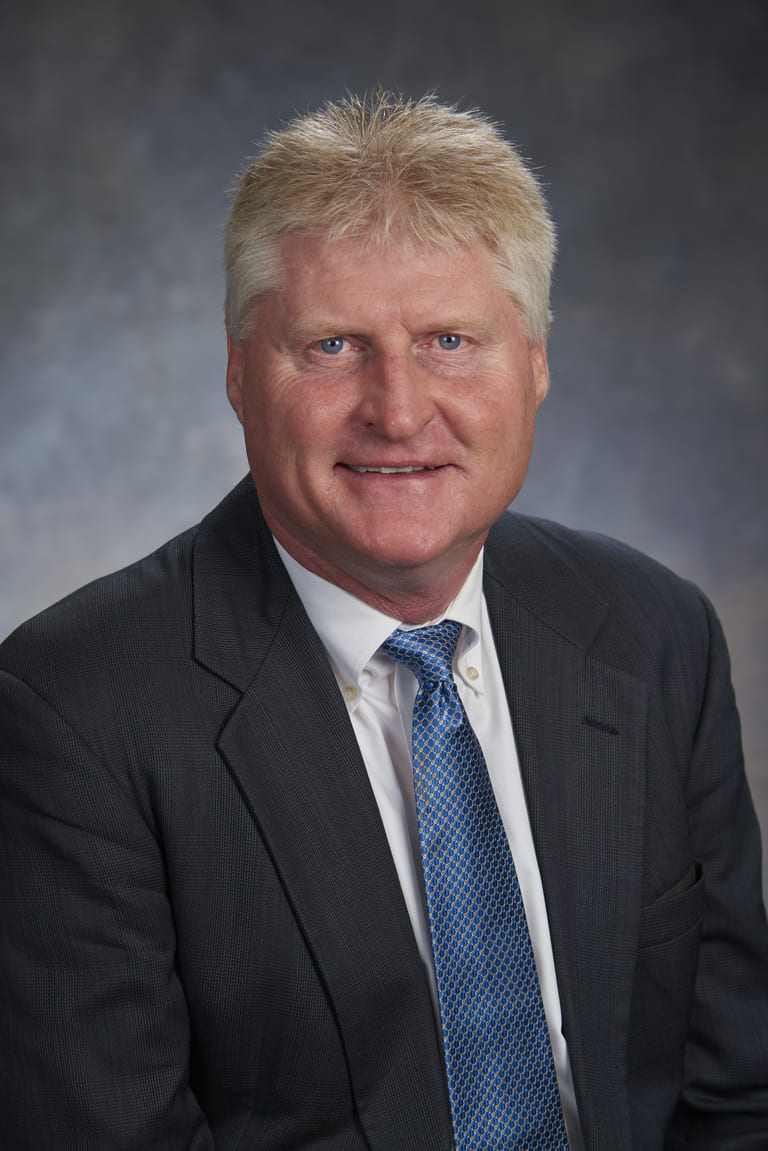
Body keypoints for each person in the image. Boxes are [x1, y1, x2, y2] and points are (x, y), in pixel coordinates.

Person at [1, 91, 767, 1151]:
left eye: (451, 339)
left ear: (536, 364)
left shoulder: (652, 632)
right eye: (330, 346)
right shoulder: (74, 711)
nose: (398, 409)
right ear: (237, 374)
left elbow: (735, 1099)